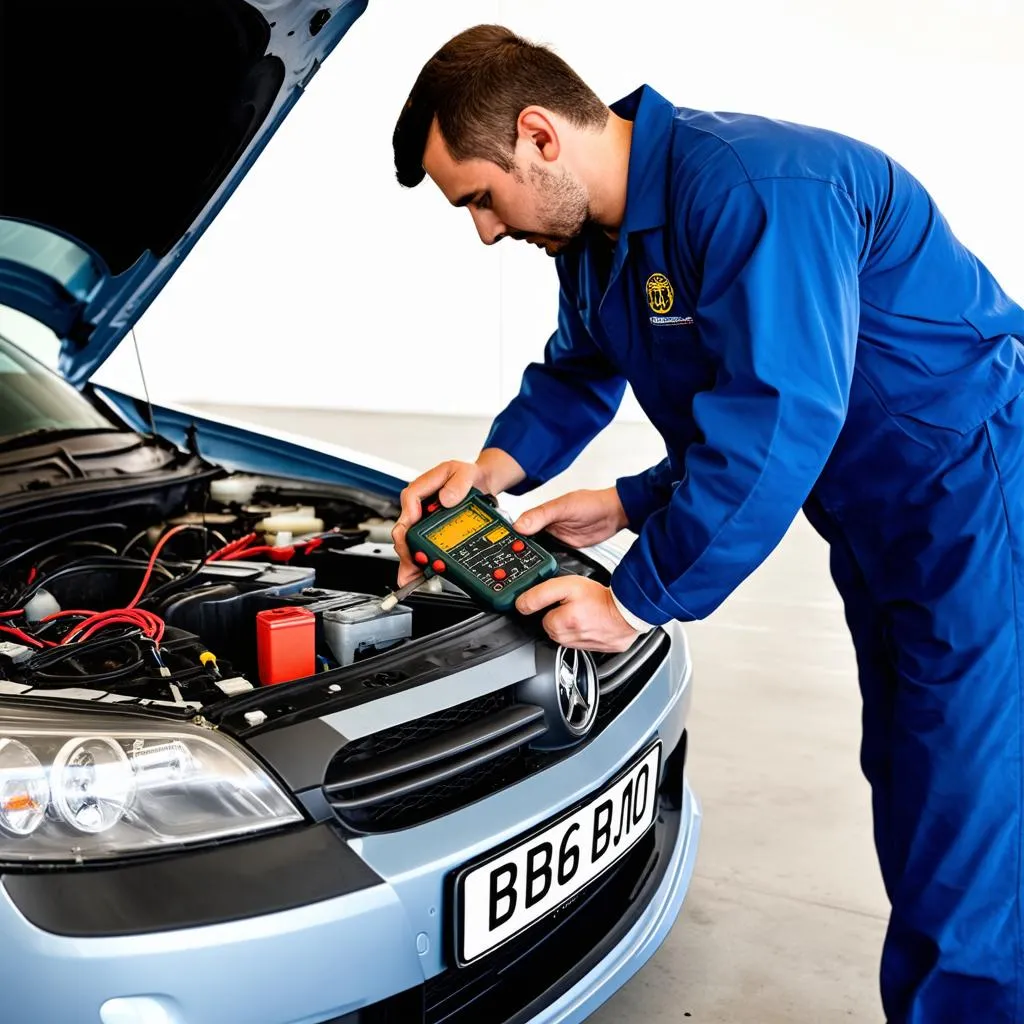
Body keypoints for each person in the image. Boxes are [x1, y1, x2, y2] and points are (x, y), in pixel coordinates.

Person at [389, 22, 1024, 1022]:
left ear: (539, 136)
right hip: (876, 512)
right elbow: (581, 371)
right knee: (910, 769)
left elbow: (780, 417)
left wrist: (634, 595)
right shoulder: (597, 241)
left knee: (965, 803)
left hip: (978, 492)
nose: (484, 229)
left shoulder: (753, 192)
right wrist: (493, 474)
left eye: (477, 196)